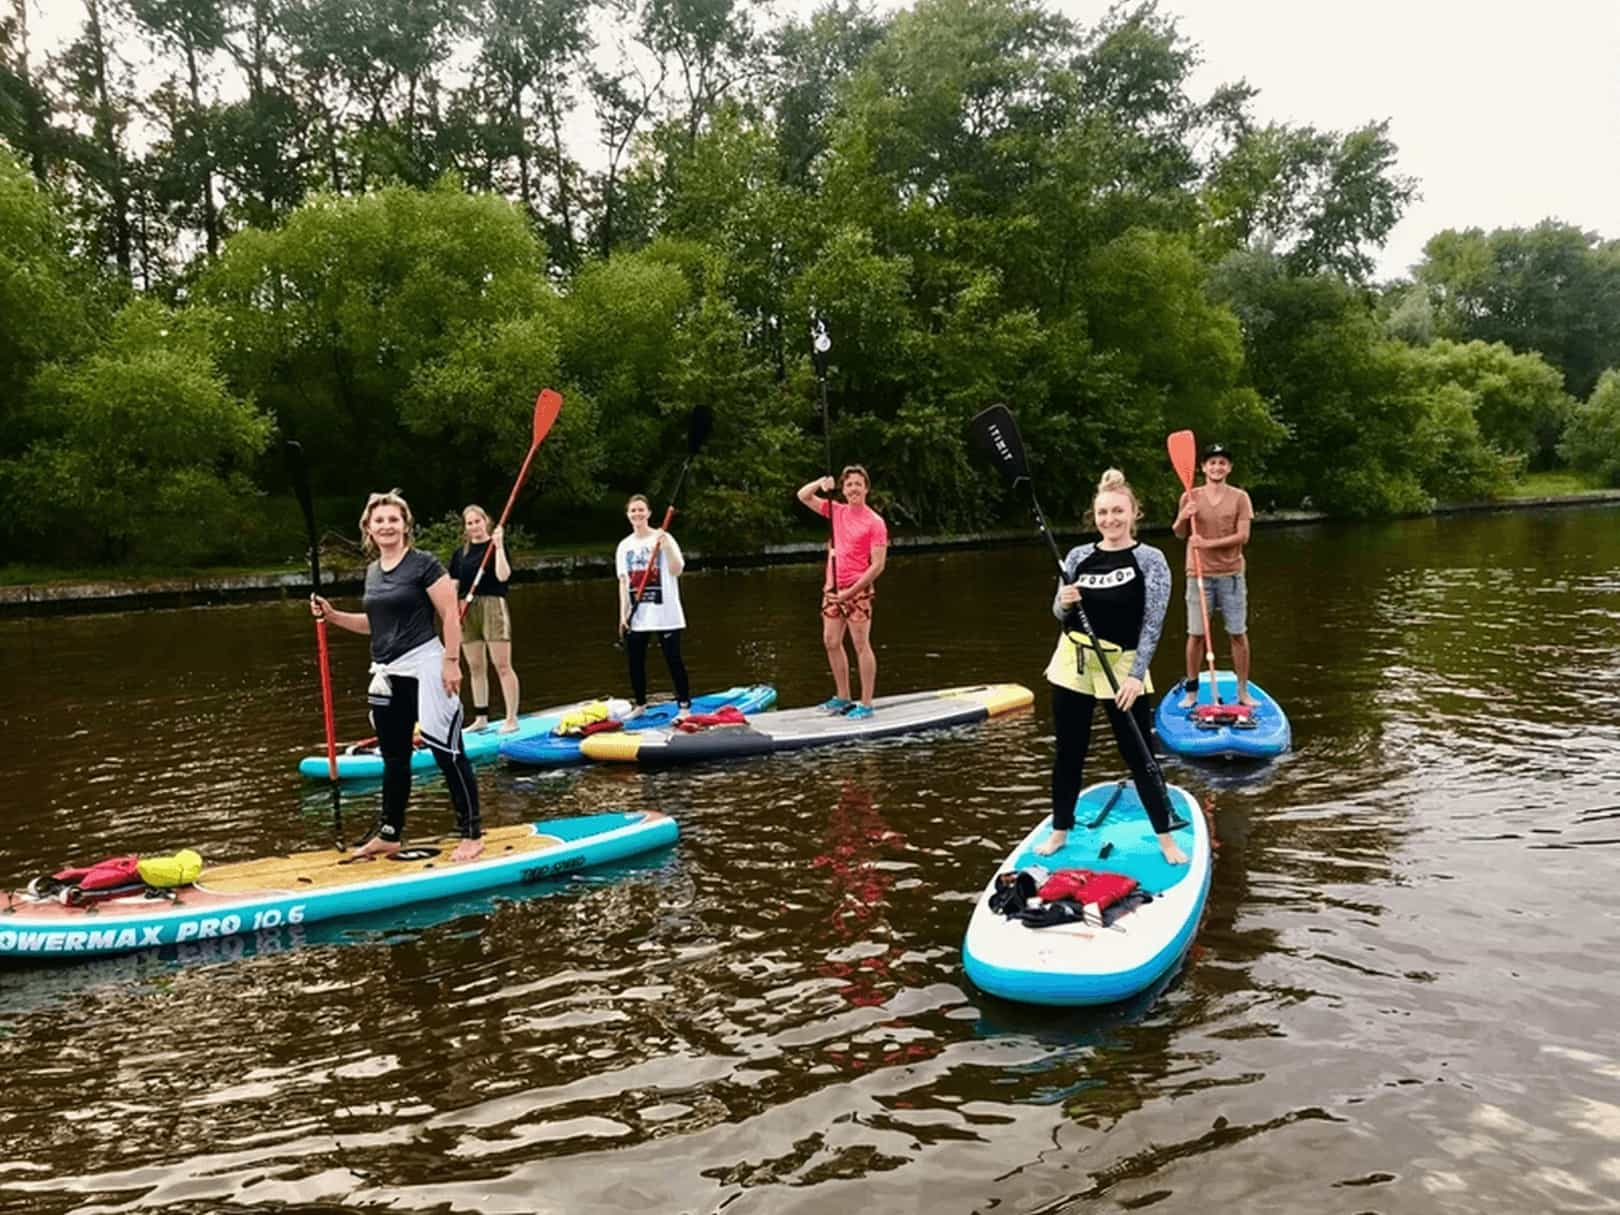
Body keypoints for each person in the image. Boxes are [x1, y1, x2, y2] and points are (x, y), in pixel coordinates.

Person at [310, 490, 483, 863]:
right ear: (368, 530)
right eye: (379, 521)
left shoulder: (424, 564)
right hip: (387, 674)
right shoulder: (373, 572)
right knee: (395, 759)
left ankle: (471, 833)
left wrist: (451, 661)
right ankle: (390, 834)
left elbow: (450, 615)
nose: (386, 526)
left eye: (393, 519)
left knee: (448, 752)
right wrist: (334, 615)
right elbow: (376, 624)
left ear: (405, 525)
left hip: (427, 665)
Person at [1039, 468, 1187, 866]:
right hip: (1073, 661)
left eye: (1118, 511)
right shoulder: (1077, 557)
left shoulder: (1150, 560)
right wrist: (1065, 601)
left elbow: (1153, 623)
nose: (1110, 519)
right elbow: (1058, 612)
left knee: (1140, 754)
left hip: (1122, 664)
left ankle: (1165, 837)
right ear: (1095, 515)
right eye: (1103, 512)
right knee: (1069, 751)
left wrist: (1137, 675)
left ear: (1133, 512)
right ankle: (1060, 829)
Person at [796, 465, 888, 718]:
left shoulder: (875, 523)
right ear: (843, 490)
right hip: (833, 589)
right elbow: (803, 496)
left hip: (858, 590)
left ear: (866, 488)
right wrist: (820, 483)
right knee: (831, 641)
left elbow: (878, 565)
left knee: (861, 644)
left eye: (858, 484)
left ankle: (866, 703)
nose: (854, 488)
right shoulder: (836, 511)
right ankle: (843, 697)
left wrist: (852, 591)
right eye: (849, 485)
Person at [1172, 442, 1256, 708]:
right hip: (1198, 574)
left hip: (1231, 574)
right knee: (1196, 634)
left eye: (1222, 462)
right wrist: (1183, 517)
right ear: (1203, 467)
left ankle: (1243, 691)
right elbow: (1179, 533)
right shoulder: (1189, 496)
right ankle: (1192, 692)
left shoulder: (1240, 497)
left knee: (1237, 633)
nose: (1217, 467)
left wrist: (1206, 544)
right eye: (1212, 462)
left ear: (1229, 468)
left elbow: (1243, 536)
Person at [616, 494, 692, 718]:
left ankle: (684, 706)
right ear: (628, 515)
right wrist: (623, 614)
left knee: (673, 660)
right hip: (638, 614)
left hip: (665, 613)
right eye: (633, 511)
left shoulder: (663, 537)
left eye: (641, 510)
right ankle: (639, 705)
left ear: (648, 513)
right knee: (635, 662)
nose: (637, 514)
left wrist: (666, 547)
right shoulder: (624, 546)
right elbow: (623, 581)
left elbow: (677, 569)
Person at [448, 504, 520, 733]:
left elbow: (503, 576)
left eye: (477, 521)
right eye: (469, 523)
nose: (474, 527)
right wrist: (453, 613)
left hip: (492, 605)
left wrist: (498, 547)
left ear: (485, 521)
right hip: (466, 608)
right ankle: (481, 718)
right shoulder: (461, 554)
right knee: (476, 666)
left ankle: (511, 718)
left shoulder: (495, 546)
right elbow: (453, 585)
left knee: (502, 665)